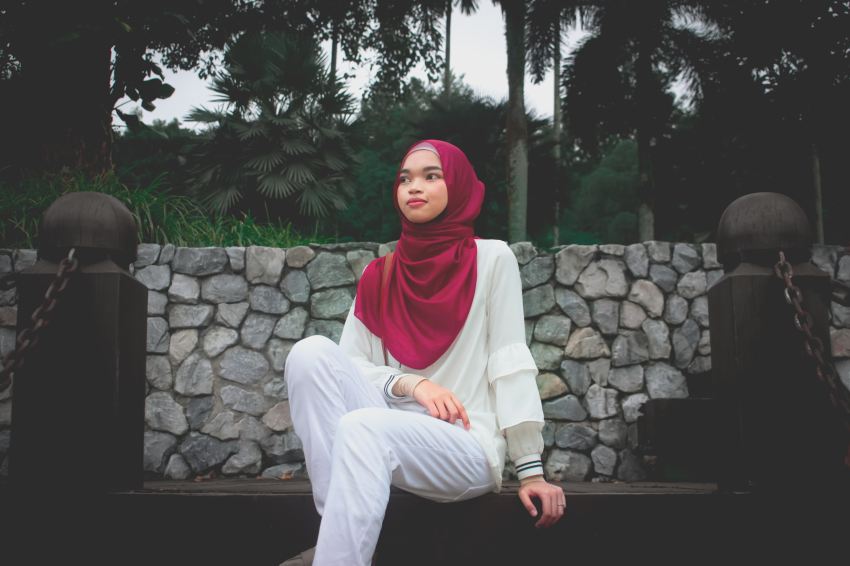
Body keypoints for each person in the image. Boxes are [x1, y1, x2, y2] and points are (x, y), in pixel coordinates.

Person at [282, 140, 565, 566]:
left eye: (432, 176)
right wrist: (411, 383)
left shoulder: (492, 259)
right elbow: (350, 367)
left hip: (466, 444)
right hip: (390, 426)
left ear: (459, 186)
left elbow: (510, 360)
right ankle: (337, 537)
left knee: (363, 426)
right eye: (404, 178)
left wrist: (530, 470)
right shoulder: (381, 275)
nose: (414, 187)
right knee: (310, 354)